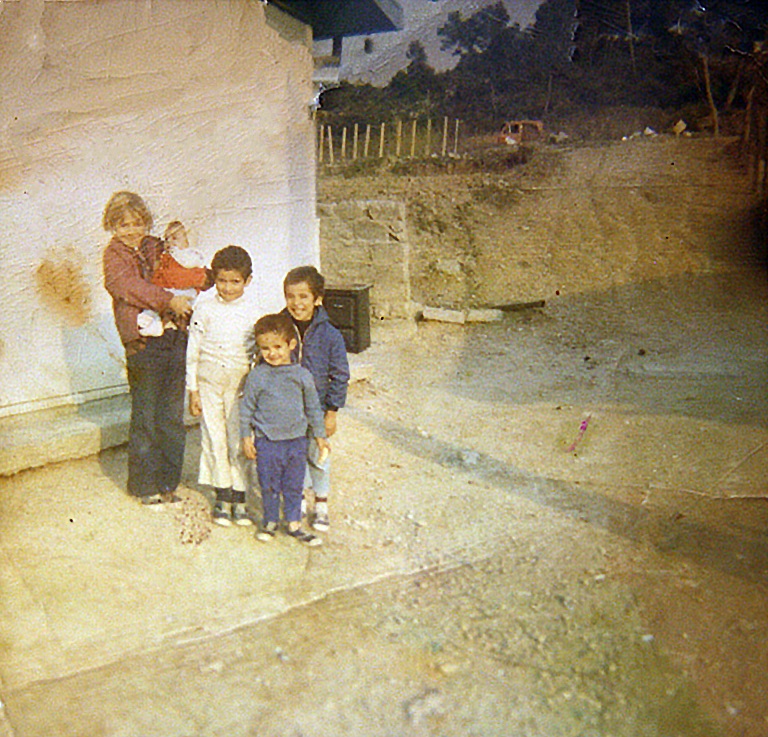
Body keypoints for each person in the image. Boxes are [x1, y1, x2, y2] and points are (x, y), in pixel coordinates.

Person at [102, 191, 193, 505]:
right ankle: (143, 486)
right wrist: (167, 300)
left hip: (174, 338)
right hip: (143, 346)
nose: (131, 230)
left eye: (138, 223)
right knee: (146, 415)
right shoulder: (113, 255)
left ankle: (168, 482)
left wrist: (179, 242)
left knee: (171, 416)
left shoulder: (155, 245)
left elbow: (181, 264)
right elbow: (127, 287)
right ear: (112, 226)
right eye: (123, 224)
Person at [186, 245, 261, 527]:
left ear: (247, 281)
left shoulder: (253, 313)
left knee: (237, 439)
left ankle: (239, 497)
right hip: (208, 384)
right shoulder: (204, 308)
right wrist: (192, 389)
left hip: (239, 387)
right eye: (222, 281)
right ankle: (222, 496)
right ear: (214, 278)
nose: (228, 288)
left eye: (235, 282)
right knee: (213, 437)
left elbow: (258, 354)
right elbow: (193, 351)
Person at [240, 312, 330, 547]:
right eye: (265, 348)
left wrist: (320, 437)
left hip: (296, 441)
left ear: (291, 345)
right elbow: (246, 409)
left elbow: (313, 409)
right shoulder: (257, 376)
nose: (272, 353)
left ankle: (293, 523)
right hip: (267, 441)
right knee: (268, 484)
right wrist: (246, 437)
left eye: (278, 346)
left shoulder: (302, 376)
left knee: (293, 484)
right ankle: (270, 520)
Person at [281, 265, 350, 532]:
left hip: (318, 408)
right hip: (286, 408)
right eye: (290, 296)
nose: (296, 304)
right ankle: (296, 499)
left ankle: (320, 504)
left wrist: (331, 411)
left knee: (318, 454)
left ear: (317, 299)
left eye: (303, 297)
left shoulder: (330, 334)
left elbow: (340, 374)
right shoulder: (280, 327)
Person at [137, 220, 210, 338]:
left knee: (164, 300)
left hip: (184, 292)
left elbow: (185, 268)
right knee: (156, 300)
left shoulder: (191, 255)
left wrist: (173, 254)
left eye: (175, 238)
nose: (170, 242)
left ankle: (158, 322)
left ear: (188, 241)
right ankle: (151, 322)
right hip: (172, 289)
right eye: (167, 239)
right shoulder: (168, 256)